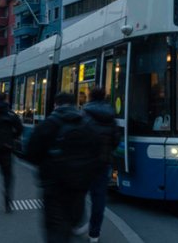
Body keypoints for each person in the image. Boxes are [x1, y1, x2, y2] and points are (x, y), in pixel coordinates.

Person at [26, 92, 99, 243]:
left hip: (54, 186)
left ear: (56, 105)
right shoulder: (87, 124)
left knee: (55, 227)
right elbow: (96, 154)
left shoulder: (48, 124)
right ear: (75, 104)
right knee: (71, 224)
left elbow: (31, 153)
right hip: (79, 186)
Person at [81, 87, 120, 243]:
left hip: (84, 162)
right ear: (104, 97)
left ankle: (77, 224)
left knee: (77, 193)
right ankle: (94, 233)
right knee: (99, 199)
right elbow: (115, 140)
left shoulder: (84, 114)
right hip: (103, 162)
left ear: (90, 97)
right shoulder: (111, 117)